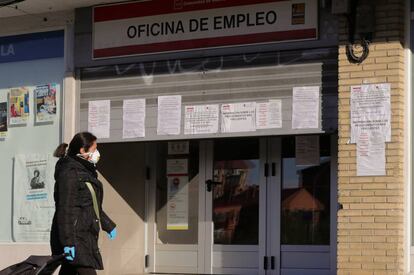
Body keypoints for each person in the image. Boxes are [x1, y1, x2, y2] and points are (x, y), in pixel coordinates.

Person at [51, 132, 117, 275]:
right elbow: (65, 210)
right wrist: (68, 242)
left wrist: (108, 224)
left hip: (85, 233)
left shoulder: (86, 171)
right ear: (83, 150)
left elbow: (92, 203)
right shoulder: (70, 173)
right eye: (94, 149)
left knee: (69, 271)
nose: (97, 153)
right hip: (75, 237)